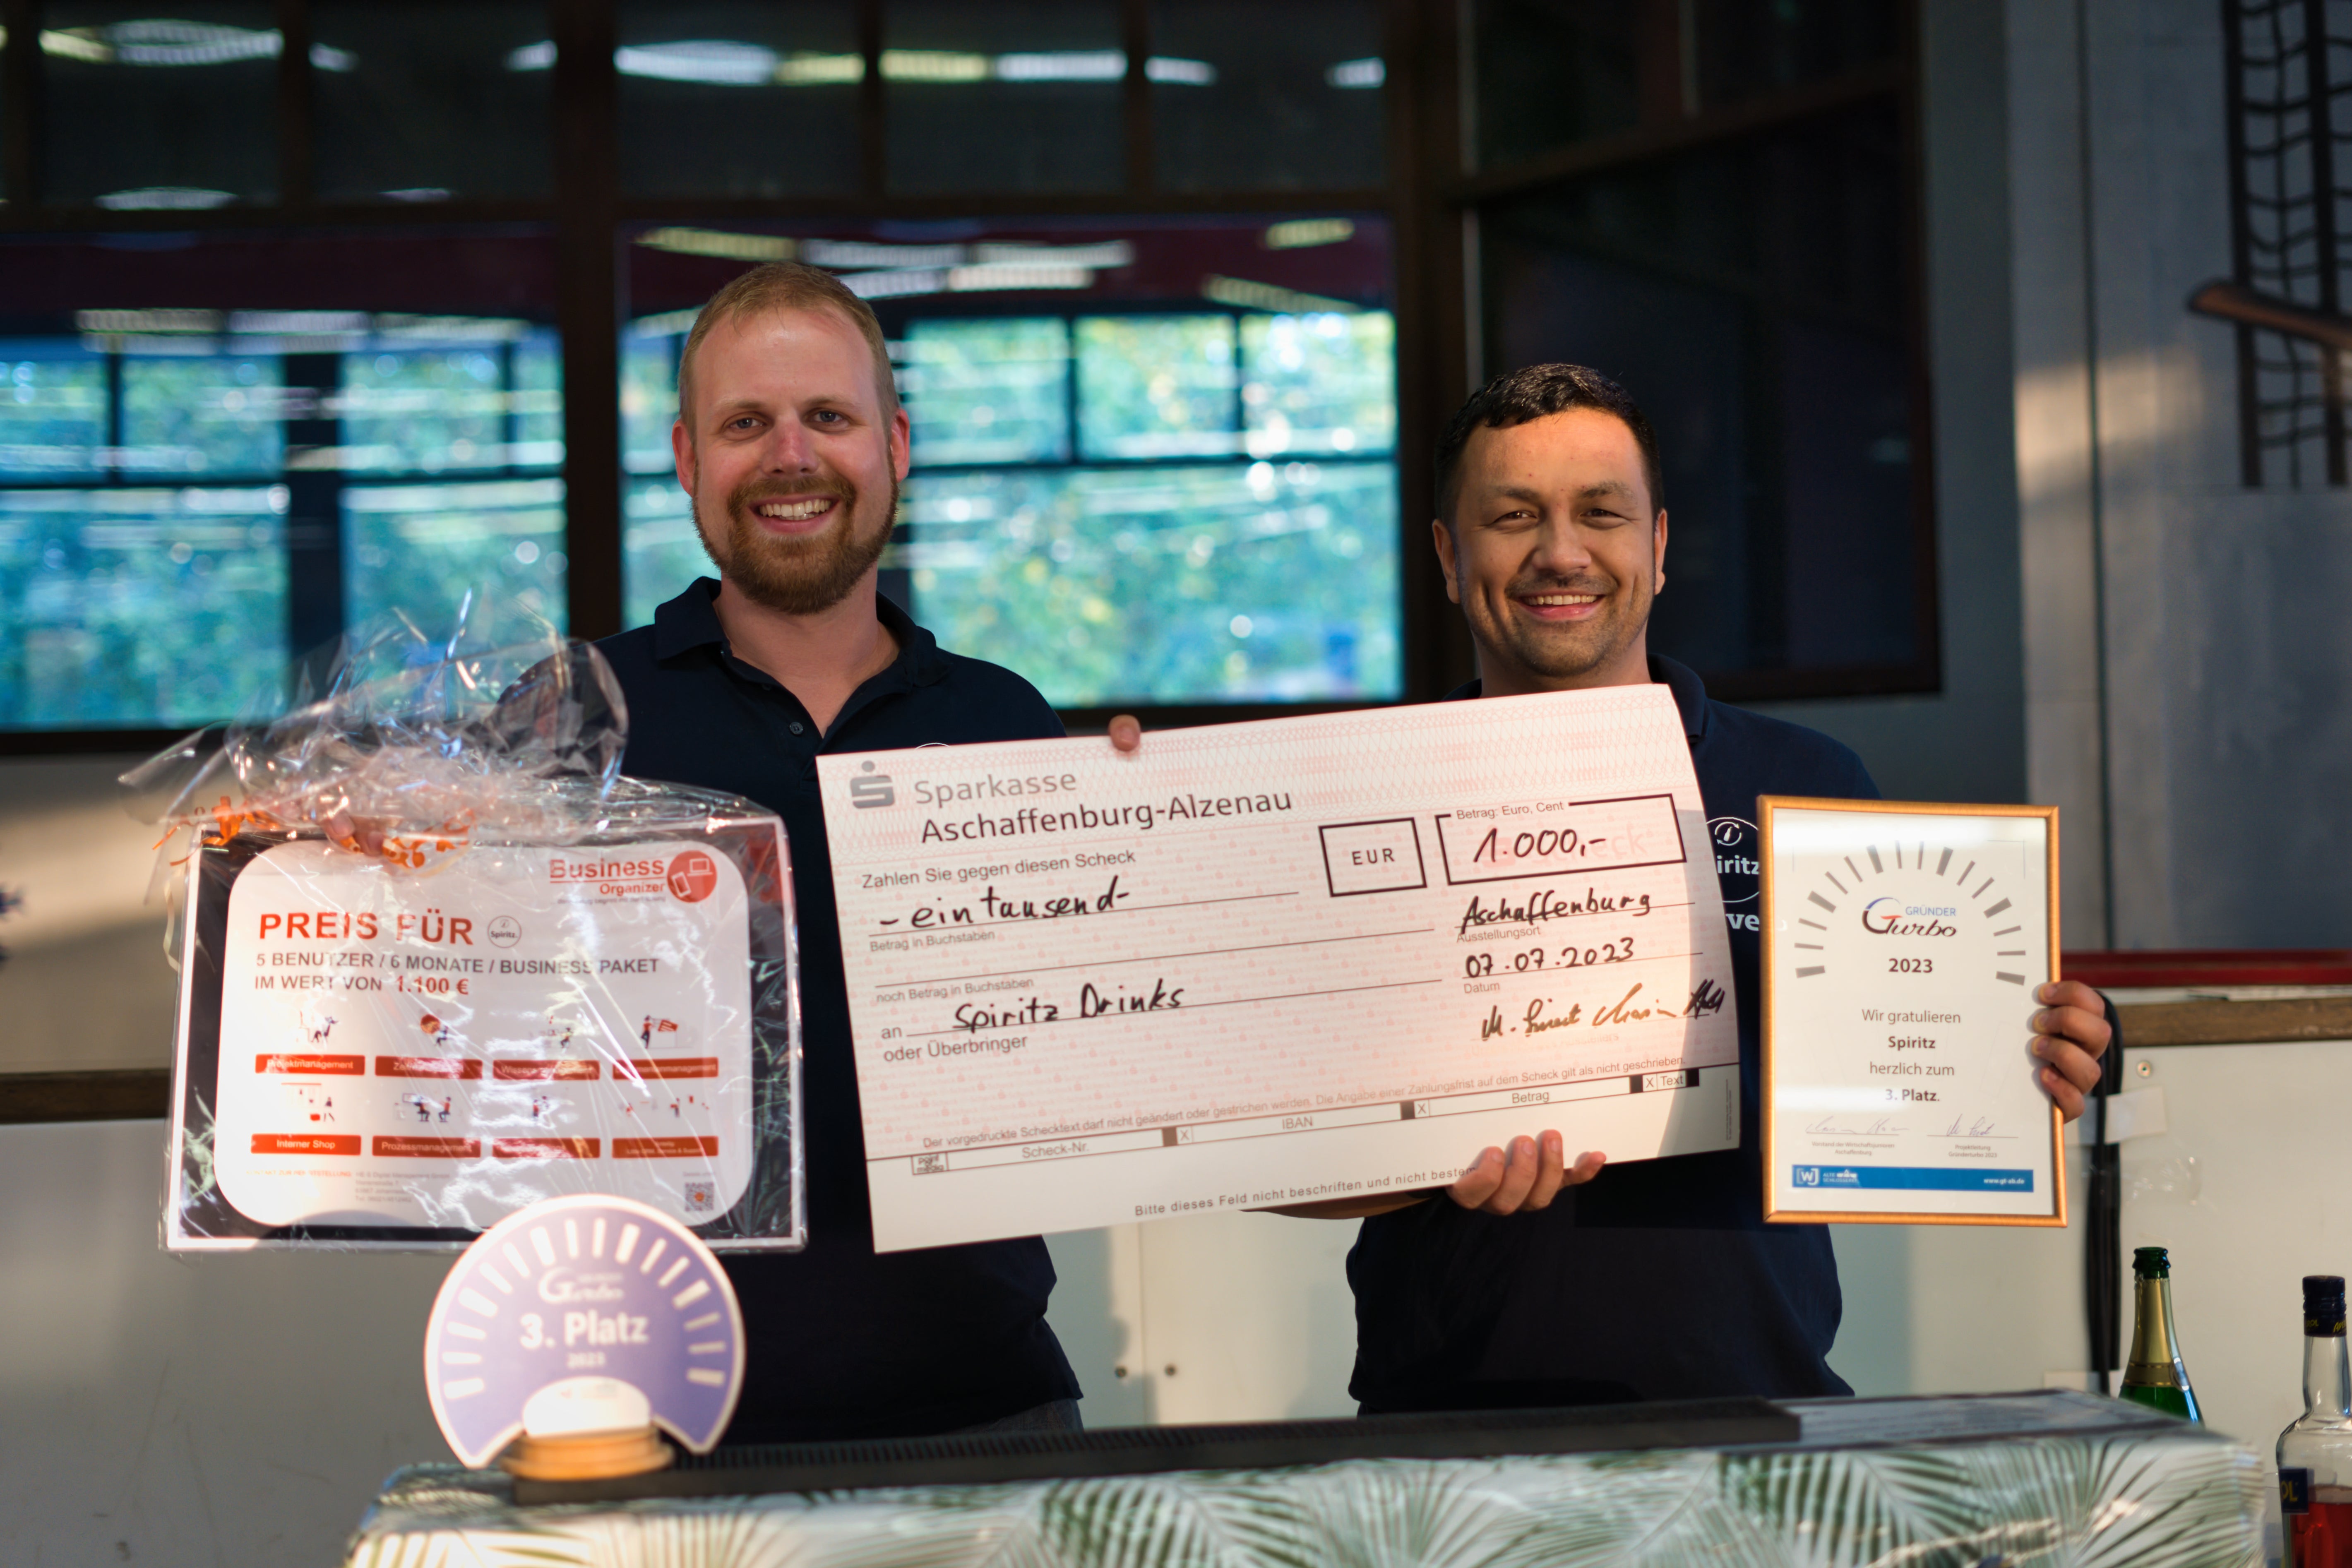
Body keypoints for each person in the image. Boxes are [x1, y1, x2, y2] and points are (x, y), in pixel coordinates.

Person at [1116, 363, 2115, 1409]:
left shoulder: (1807, 782)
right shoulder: (1354, 803)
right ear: (1450, 556)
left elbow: (1926, 1042)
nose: (1561, 552)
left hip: (1760, 1413)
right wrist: (1422, 1162)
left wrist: (2043, 1044)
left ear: (1659, 545)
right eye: (1514, 516)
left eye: (1601, 512)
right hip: (1448, 1431)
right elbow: (1247, 1138)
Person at [594, 262, 1081, 1440]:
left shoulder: (1007, 721)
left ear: (894, 444)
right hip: (645, 1419)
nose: (791, 456)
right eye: (745, 424)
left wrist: (1158, 824)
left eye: (828, 415)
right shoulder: (578, 718)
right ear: (686, 457)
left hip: (987, 1408)